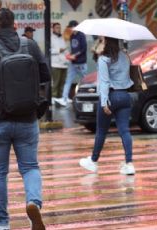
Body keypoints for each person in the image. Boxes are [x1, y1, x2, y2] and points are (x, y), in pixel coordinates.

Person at [0, 8, 50, 230]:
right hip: (27, 118)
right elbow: (46, 76)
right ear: (15, 25)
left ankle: (2, 223)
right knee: (30, 167)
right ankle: (33, 202)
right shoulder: (30, 45)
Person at [79, 37, 135, 175]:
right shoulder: (125, 56)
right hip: (125, 96)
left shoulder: (104, 59)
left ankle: (93, 161)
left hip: (111, 96)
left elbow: (104, 82)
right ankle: (129, 164)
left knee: (102, 131)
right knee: (124, 131)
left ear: (106, 42)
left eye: (103, 41)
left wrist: (104, 103)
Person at [55, 20, 87, 107]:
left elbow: (83, 49)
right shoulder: (72, 36)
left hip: (81, 63)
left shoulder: (81, 35)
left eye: (71, 27)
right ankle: (64, 98)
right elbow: (73, 48)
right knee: (68, 80)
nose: (70, 29)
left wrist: (75, 55)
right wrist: (70, 55)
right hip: (73, 63)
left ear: (75, 26)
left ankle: (89, 97)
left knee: (86, 80)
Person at [50, 22, 68, 103]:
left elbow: (65, 49)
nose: (59, 29)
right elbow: (49, 50)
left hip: (64, 64)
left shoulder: (62, 38)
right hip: (55, 64)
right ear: (53, 29)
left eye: (59, 27)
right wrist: (58, 50)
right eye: (57, 27)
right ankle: (53, 98)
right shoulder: (50, 38)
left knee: (62, 82)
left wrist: (68, 58)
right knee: (56, 82)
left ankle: (61, 98)